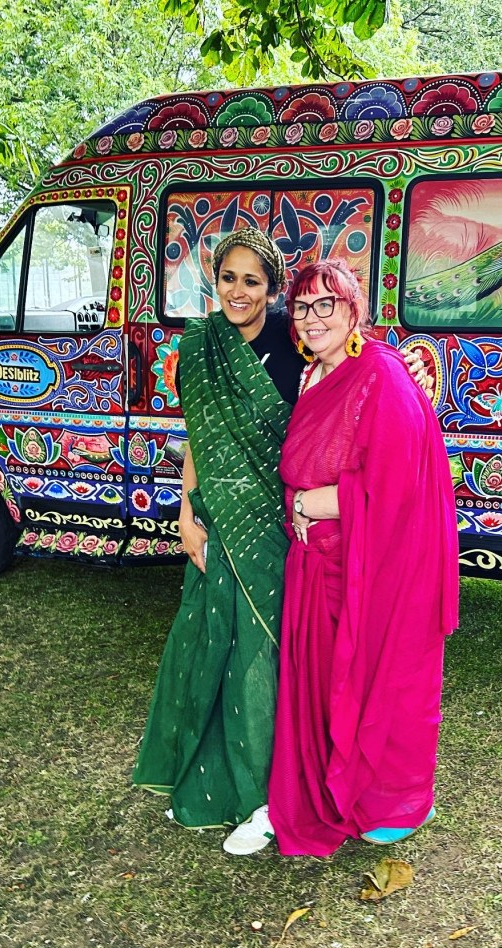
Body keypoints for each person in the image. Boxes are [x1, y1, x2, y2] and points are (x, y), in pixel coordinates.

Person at [133, 229, 432, 855]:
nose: (238, 291)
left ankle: (268, 795)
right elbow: (199, 439)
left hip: (278, 533)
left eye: (253, 281)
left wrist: (402, 366)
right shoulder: (203, 346)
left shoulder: (299, 349)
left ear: (271, 292)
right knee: (210, 649)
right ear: (214, 282)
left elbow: (371, 428)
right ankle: (215, 780)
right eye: (228, 278)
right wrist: (187, 514)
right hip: (221, 523)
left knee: (268, 664)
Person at [266, 259, 459, 858]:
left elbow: (400, 484)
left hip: (374, 569)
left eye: (327, 303)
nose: (313, 317)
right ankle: (333, 785)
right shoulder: (312, 373)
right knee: (329, 687)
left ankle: (386, 802)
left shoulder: (380, 374)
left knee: (380, 682)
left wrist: (319, 501)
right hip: (317, 567)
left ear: (354, 311)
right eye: (302, 306)